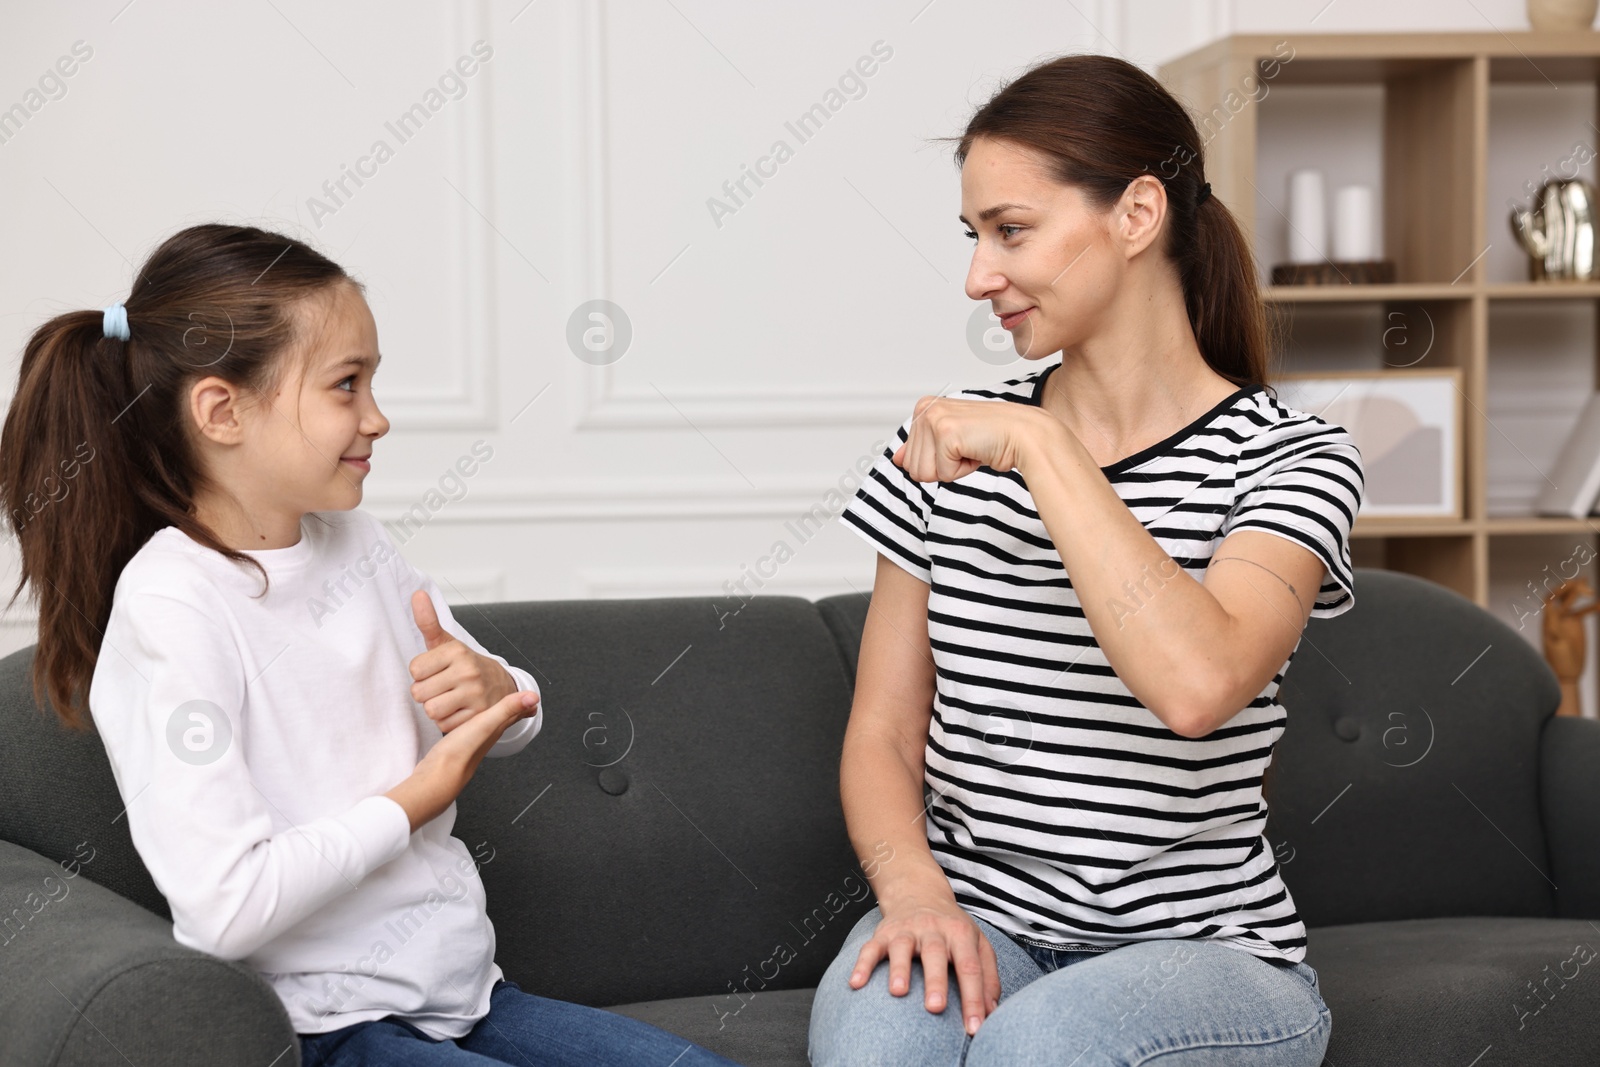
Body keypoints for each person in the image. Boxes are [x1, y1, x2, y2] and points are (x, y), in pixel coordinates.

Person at [0, 223, 740, 1067]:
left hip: (470, 997)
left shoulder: (357, 544)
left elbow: (507, 715)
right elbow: (224, 907)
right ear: (221, 410)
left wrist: (495, 685)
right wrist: (416, 795)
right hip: (326, 1029)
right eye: (346, 385)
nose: (377, 418)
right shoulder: (173, 604)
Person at [808, 53, 1363, 1067]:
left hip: (1205, 953)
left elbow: (1196, 684)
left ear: (1138, 214)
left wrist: (1046, 446)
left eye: (1009, 231)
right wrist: (917, 895)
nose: (979, 276)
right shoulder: (941, 448)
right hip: (986, 921)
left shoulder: (1291, 459)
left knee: (1047, 1044)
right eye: (974, 237)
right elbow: (884, 729)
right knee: (882, 1047)